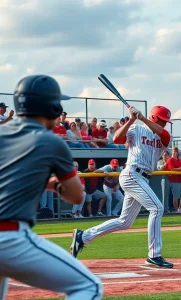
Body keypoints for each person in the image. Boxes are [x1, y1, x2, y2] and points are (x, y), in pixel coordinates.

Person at [0, 74, 102, 299]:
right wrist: (55, 185)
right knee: (89, 287)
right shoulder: (52, 141)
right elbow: (76, 196)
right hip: (9, 238)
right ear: (52, 107)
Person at [71, 105, 174, 268]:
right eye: (163, 121)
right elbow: (117, 140)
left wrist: (142, 118)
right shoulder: (136, 128)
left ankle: (83, 237)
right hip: (132, 173)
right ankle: (154, 255)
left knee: (124, 222)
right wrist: (133, 119)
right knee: (157, 208)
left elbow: (164, 135)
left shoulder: (164, 135)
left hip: (143, 178)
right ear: (155, 118)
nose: (165, 124)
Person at [166, 147, 181, 213]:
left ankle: (179, 208)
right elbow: (172, 169)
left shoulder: (179, 160)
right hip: (173, 180)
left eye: (176, 151)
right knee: (176, 196)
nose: (175, 152)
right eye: (174, 151)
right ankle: (176, 210)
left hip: (180, 179)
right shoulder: (170, 160)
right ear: (172, 151)